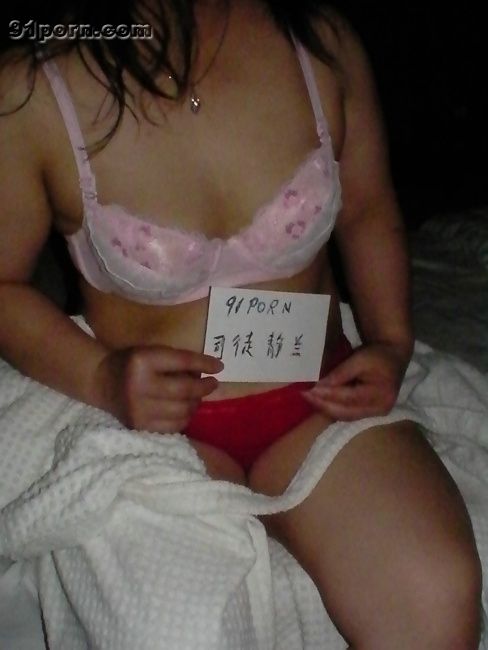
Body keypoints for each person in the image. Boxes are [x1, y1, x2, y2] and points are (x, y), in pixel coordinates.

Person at [0, 1, 482, 647]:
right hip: (152, 428)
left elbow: (368, 211)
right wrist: (101, 376)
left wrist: (391, 341)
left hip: (320, 398)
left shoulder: (321, 43)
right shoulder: (34, 84)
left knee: (437, 594)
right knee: (177, 633)